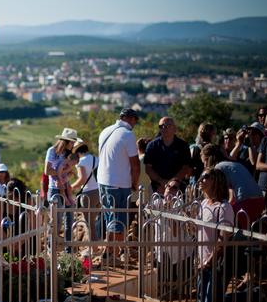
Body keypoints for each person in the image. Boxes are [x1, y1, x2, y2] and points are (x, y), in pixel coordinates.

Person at [96, 108, 140, 253]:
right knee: (119, 220)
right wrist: (134, 182)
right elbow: (135, 163)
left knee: (110, 217)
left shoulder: (105, 131)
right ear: (130, 118)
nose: (135, 123)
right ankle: (117, 252)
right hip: (119, 183)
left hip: (103, 181)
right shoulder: (128, 135)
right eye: (135, 120)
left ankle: (111, 251)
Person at [196, 167, 234, 302]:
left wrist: (210, 261)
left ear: (215, 181)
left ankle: (249, 295)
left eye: (205, 177)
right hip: (202, 259)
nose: (201, 180)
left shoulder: (224, 207)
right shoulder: (204, 203)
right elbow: (197, 231)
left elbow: (224, 238)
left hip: (217, 263)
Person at [200, 144, 264, 229]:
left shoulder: (218, 168)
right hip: (259, 199)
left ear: (208, 159)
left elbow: (220, 193)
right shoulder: (231, 164)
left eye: (204, 162)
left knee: (231, 228)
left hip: (245, 202)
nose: (204, 166)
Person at [144, 117, 192, 195]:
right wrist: (161, 182)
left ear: (174, 128)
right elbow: (148, 168)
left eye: (167, 126)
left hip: (177, 189)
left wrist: (172, 183)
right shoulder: (152, 146)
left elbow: (186, 167)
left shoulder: (183, 145)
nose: (164, 128)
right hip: (157, 189)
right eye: (161, 126)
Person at [70, 141, 101, 242]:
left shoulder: (81, 162)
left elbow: (82, 179)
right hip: (99, 192)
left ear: (77, 152)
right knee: (94, 221)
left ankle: (94, 248)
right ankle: (97, 243)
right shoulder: (97, 159)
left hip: (88, 193)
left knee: (89, 223)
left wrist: (71, 187)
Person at [44, 128, 78, 205]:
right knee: (57, 216)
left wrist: (65, 178)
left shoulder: (68, 153)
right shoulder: (52, 151)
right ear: (66, 142)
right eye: (72, 143)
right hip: (54, 188)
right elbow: (47, 171)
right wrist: (63, 173)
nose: (73, 145)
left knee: (70, 216)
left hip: (66, 187)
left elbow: (70, 172)